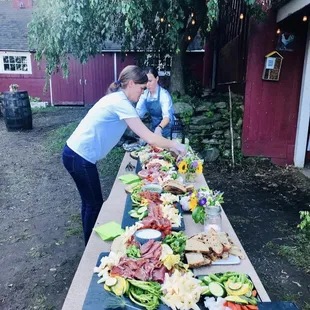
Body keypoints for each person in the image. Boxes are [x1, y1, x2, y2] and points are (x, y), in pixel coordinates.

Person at [62, 65, 186, 245]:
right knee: (94, 204)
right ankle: (90, 247)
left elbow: (137, 131)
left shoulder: (119, 100)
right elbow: (149, 137)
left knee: (89, 202)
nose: (143, 93)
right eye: (142, 89)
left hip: (75, 154)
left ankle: (88, 240)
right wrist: (175, 145)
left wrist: (158, 141)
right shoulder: (120, 102)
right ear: (131, 83)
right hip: (79, 157)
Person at [136, 67, 175, 138]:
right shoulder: (144, 94)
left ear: (157, 79)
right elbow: (138, 113)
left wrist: (159, 128)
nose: (147, 84)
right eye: (145, 81)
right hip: (155, 129)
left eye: (150, 81)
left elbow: (167, 117)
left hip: (169, 130)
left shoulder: (164, 95)